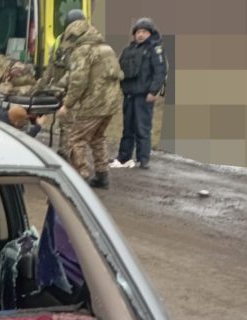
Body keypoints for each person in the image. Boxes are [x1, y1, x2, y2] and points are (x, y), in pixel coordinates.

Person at [56, 18, 123, 189]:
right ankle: (102, 175)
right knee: (97, 137)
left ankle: (81, 177)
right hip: (111, 102)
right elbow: (117, 74)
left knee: (76, 139)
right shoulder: (106, 48)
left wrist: (67, 105)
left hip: (94, 103)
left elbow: (78, 81)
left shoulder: (82, 51)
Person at [110, 17, 167, 169]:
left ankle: (143, 159)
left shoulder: (155, 49)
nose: (140, 35)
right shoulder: (129, 49)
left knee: (142, 128)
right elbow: (120, 69)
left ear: (150, 33)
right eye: (138, 32)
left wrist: (153, 91)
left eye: (144, 32)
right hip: (129, 95)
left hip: (144, 95)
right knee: (127, 128)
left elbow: (160, 72)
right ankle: (124, 157)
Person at [37, 8, 87, 159]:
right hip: (59, 86)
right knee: (63, 121)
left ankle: (66, 153)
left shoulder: (83, 44)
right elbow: (51, 66)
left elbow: (75, 71)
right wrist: (40, 87)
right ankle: (64, 151)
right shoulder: (60, 40)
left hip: (73, 88)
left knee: (68, 122)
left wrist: (58, 86)